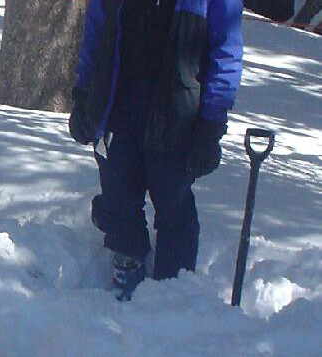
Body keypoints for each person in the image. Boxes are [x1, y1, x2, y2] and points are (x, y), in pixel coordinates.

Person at [69, 0, 244, 300]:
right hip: (119, 110)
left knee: (174, 209)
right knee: (118, 200)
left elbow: (226, 49)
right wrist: (84, 94)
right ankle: (127, 271)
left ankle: (171, 296)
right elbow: (97, 30)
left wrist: (212, 123)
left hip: (177, 116)